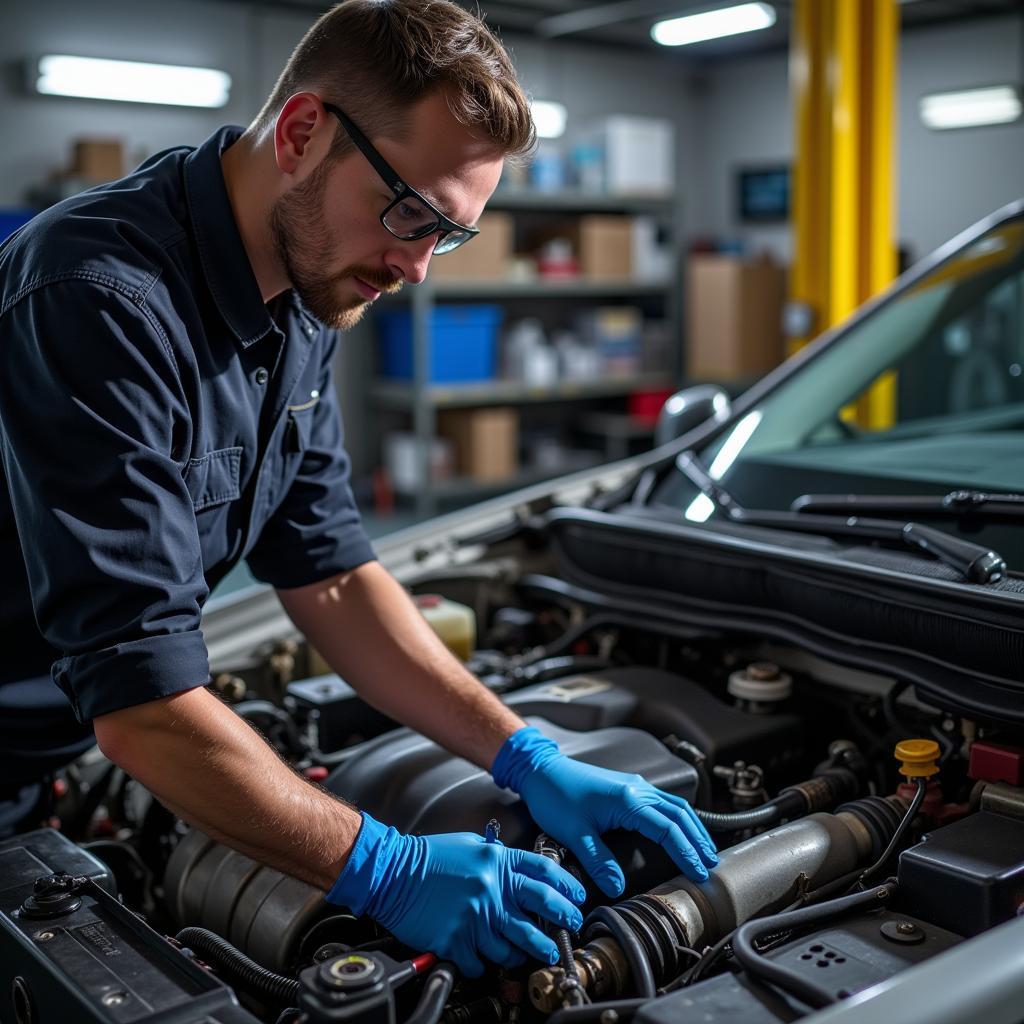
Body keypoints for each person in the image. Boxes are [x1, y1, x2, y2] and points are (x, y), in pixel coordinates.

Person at [0, 0, 717, 975]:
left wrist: (525, 755)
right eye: (411, 215)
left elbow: (332, 574)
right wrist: (384, 866)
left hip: (48, 751)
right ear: (301, 133)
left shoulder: (303, 294)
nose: (417, 267)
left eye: (449, 236)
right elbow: (143, 705)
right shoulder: (97, 297)